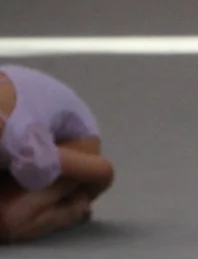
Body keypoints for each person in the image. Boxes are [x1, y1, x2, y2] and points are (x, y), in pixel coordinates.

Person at [0, 64, 114, 244]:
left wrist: (84, 195)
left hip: (69, 146)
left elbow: (104, 171)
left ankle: (70, 211)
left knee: (7, 221)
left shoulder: (24, 142)